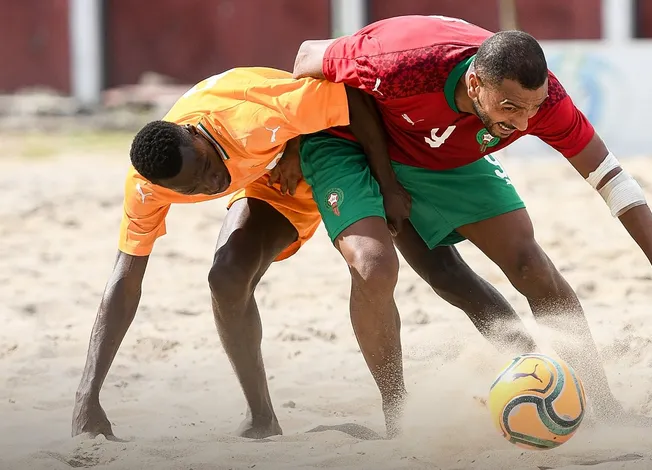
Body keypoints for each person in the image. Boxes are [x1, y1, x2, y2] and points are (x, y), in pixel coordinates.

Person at [292, 15, 652, 435]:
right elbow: (306, 56)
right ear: (475, 83)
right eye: (511, 108)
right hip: (346, 139)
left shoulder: (541, 103)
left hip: (438, 147)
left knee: (527, 263)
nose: (523, 125)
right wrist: (377, 177)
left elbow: (611, 178)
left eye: (532, 109)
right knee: (379, 267)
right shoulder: (403, 61)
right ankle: (397, 416)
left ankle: (598, 404)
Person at [71, 65, 528, 441]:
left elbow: (350, 101)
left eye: (208, 169)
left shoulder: (252, 110)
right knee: (225, 277)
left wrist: (368, 176)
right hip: (276, 184)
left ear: (197, 134)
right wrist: (87, 397)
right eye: (193, 189)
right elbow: (124, 281)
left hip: (344, 148)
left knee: (439, 270)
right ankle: (261, 417)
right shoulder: (146, 188)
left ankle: (533, 362)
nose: (211, 185)